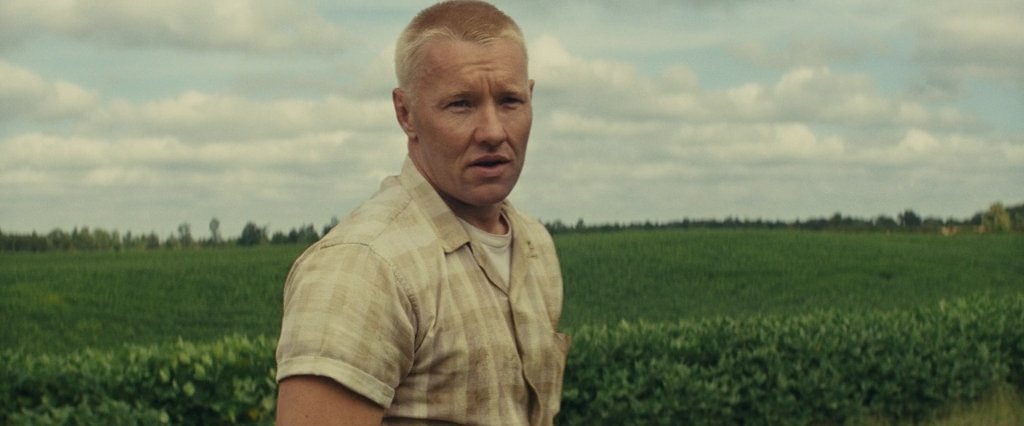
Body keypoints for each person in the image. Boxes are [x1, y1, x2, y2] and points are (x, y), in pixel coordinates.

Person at [274, 1, 570, 424]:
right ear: (405, 113)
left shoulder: (535, 244)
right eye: (461, 104)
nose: (492, 131)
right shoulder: (365, 267)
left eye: (509, 101)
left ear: (531, 99)